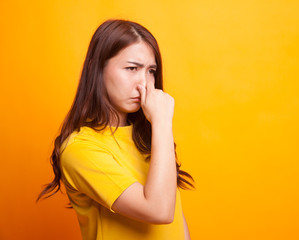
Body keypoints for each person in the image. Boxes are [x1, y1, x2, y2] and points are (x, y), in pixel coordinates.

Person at [37, 19, 195, 240]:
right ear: (96, 68)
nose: (144, 84)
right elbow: (159, 211)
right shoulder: (80, 149)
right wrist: (162, 122)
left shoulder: (148, 135)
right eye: (131, 68)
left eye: (151, 71)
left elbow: (175, 215)